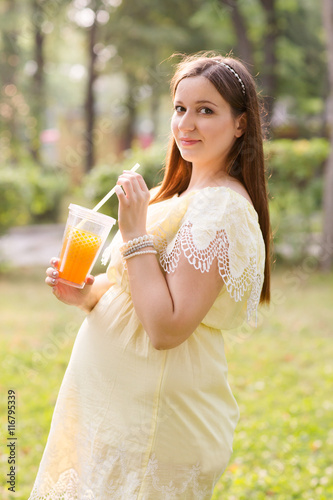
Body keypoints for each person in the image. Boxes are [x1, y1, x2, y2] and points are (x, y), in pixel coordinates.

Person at [29, 52, 270, 500]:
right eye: (180, 109)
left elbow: (166, 327)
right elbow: (136, 290)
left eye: (206, 110)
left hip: (151, 424)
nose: (186, 124)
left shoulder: (222, 208)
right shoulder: (180, 192)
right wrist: (84, 294)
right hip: (115, 410)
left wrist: (134, 232)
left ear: (240, 124)